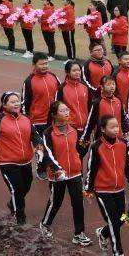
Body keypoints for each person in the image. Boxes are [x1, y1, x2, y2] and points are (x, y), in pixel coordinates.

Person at [0, 91, 38, 225]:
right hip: (8, 163)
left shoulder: (25, 118)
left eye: (17, 101)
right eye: (12, 102)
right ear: (4, 105)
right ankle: (20, 218)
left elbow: (34, 135)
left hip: (26, 161)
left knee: (26, 186)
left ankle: (13, 204)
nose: (16, 104)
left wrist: (38, 145)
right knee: (16, 189)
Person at [38, 100, 90, 246]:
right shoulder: (48, 133)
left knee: (78, 202)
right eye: (63, 111)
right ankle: (45, 223)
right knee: (56, 201)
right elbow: (48, 154)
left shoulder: (74, 130)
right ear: (54, 115)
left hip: (74, 172)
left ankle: (79, 233)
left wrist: (81, 152)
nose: (67, 113)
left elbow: (80, 150)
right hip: (57, 175)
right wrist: (57, 169)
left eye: (67, 110)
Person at [85, 114, 129, 256]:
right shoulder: (96, 147)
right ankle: (118, 253)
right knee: (113, 221)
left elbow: (127, 165)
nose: (115, 130)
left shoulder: (123, 144)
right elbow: (91, 169)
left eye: (117, 127)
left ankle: (103, 232)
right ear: (102, 129)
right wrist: (88, 189)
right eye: (111, 127)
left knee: (122, 218)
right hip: (103, 190)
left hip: (119, 188)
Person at [22, 53, 61, 137]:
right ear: (34, 64)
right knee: (40, 148)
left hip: (54, 120)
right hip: (37, 122)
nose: (44, 66)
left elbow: (61, 97)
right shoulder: (29, 81)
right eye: (41, 64)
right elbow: (25, 104)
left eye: (46, 63)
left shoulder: (53, 77)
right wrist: (27, 121)